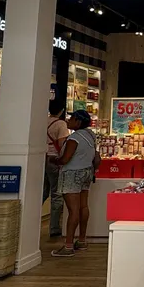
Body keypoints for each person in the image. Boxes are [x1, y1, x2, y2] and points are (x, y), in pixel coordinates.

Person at [51, 110, 100, 257]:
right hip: (86, 171)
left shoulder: (74, 138)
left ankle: (68, 245)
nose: (68, 120)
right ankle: (82, 239)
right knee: (83, 207)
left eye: (71, 118)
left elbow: (65, 159)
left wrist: (54, 160)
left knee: (73, 211)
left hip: (72, 173)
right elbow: (97, 158)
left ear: (78, 121)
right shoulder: (91, 135)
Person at [43, 100, 70, 238]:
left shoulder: (43, 121)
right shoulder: (61, 124)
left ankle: (30, 221)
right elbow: (62, 144)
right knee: (57, 194)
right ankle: (54, 227)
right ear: (61, 110)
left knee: (42, 192)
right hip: (54, 160)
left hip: (41, 159)